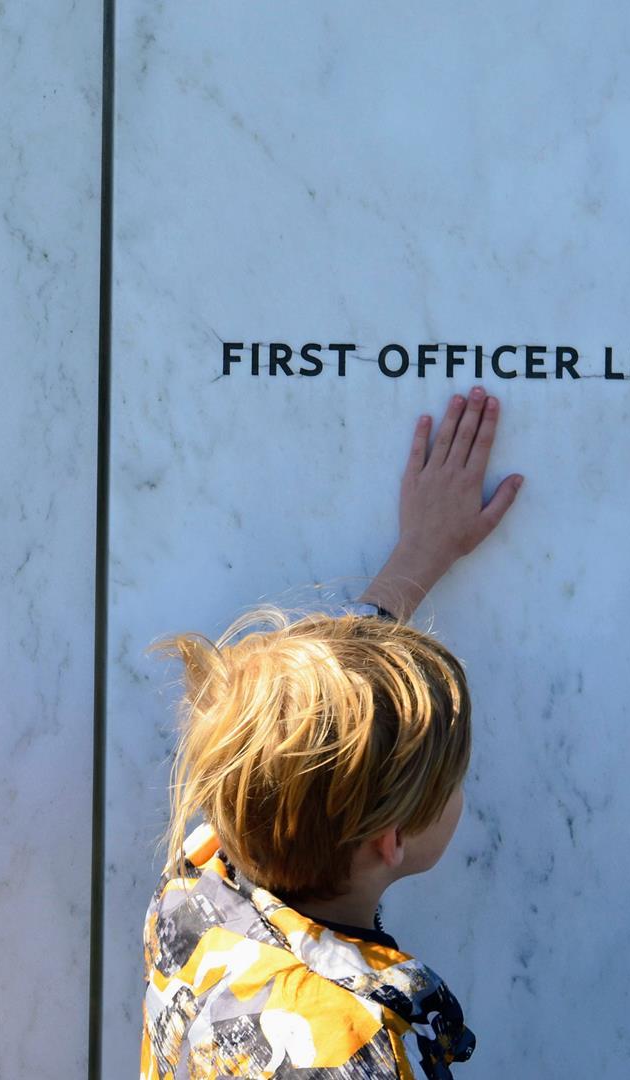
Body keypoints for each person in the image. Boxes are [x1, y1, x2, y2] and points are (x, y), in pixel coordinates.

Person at [141, 387, 524, 1080]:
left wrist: (416, 558)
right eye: (449, 779)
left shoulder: (200, 883)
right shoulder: (360, 1051)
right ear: (391, 840)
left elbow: (297, 730)